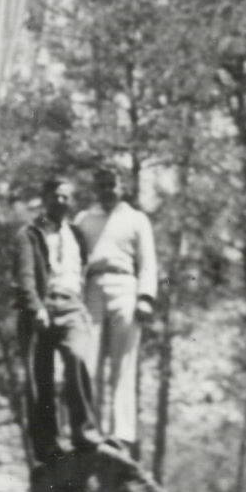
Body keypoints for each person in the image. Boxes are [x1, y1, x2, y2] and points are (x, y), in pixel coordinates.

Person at [14, 175, 103, 464]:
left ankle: (84, 432)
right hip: (42, 306)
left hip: (72, 305)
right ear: (45, 198)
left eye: (66, 196)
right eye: (55, 196)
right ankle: (47, 445)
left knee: (77, 358)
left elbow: (84, 270)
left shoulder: (76, 234)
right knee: (42, 379)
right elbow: (26, 275)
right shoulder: (30, 234)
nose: (61, 201)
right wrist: (36, 306)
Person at [74, 164, 157, 458]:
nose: (107, 190)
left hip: (125, 286)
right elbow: (73, 259)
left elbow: (148, 262)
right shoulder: (84, 219)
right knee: (86, 360)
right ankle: (89, 430)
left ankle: (121, 433)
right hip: (92, 289)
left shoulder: (136, 219)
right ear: (95, 188)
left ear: (122, 187)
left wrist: (146, 296)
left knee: (123, 363)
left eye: (113, 184)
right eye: (102, 185)